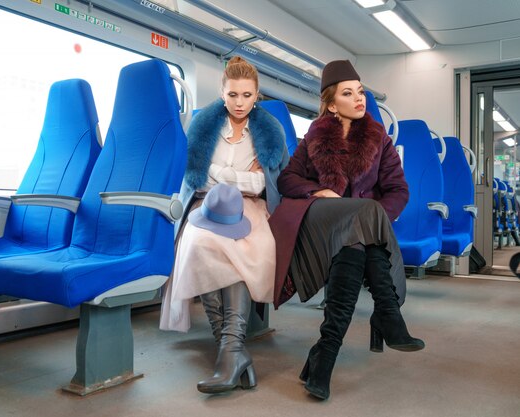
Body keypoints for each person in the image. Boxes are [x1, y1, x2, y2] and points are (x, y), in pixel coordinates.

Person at [269, 59, 425, 400]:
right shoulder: (314, 135)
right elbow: (288, 179)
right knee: (360, 221)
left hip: (358, 234)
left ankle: (325, 355)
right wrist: (317, 191)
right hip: (322, 224)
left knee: (357, 237)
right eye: (348, 93)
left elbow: (399, 190)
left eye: (360, 91)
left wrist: (371, 217)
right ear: (330, 103)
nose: (360, 99)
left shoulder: (378, 139)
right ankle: (388, 314)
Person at [159, 56, 289, 394]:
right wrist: (239, 177)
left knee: (239, 249)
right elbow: (197, 181)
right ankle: (231, 350)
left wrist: (220, 175)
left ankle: (230, 352)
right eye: (233, 95)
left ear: (257, 94)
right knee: (198, 243)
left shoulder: (268, 131)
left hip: (251, 210)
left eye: (247, 95)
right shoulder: (203, 126)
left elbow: (263, 186)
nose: (240, 103)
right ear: (222, 91)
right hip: (207, 207)